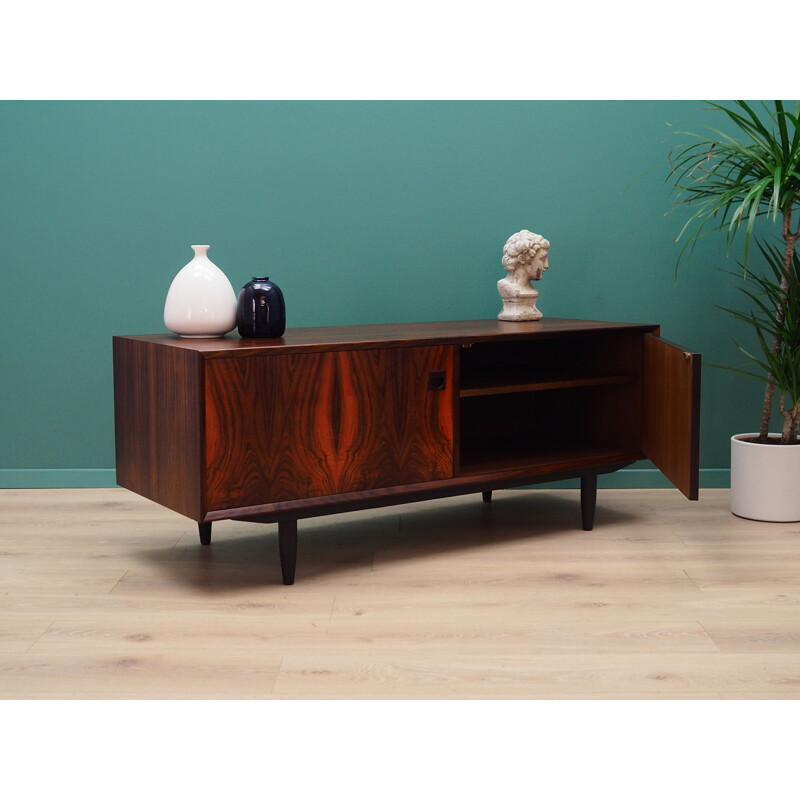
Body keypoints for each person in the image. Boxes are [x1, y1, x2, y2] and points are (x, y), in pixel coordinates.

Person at [497, 230, 550, 321]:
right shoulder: (505, 287)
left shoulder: (531, 289)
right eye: (542, 259)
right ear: (522, 259)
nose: (546, 265)